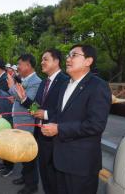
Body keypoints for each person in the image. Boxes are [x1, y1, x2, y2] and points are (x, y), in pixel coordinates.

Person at [42, 45, 111, 194]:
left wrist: (58, 128)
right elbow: (60, 114)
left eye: (74, 55)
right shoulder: (65, 85)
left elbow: (96, 125)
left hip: (81, 164)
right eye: (68, 55)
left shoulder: (98, 86)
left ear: (88, 61)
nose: (68, 59)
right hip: (60, 159)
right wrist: (50, 123)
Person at [16, 49, 68, 194]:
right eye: (42, 59)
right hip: (40, 134)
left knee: (55, 176)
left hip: (55, 137)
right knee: (45, 174)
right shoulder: (44, 81)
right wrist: (25, 99)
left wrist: (45, 114)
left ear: (56, 61)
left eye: (46, 59)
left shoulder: (65, 81)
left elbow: (67, 110)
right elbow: (37, 107)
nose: (42, 62)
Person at [8, 54, 41, 194]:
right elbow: (20, 98)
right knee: (23, 153)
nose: (18, 67)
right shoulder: (24, 79)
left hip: (28, 124)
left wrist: (11, 87)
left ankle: (31, 185)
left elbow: (30, 102)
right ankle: (24, 177)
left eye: (20, 64)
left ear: (28, 65)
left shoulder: (36, 81)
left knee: (29, 156)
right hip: (20, 122)